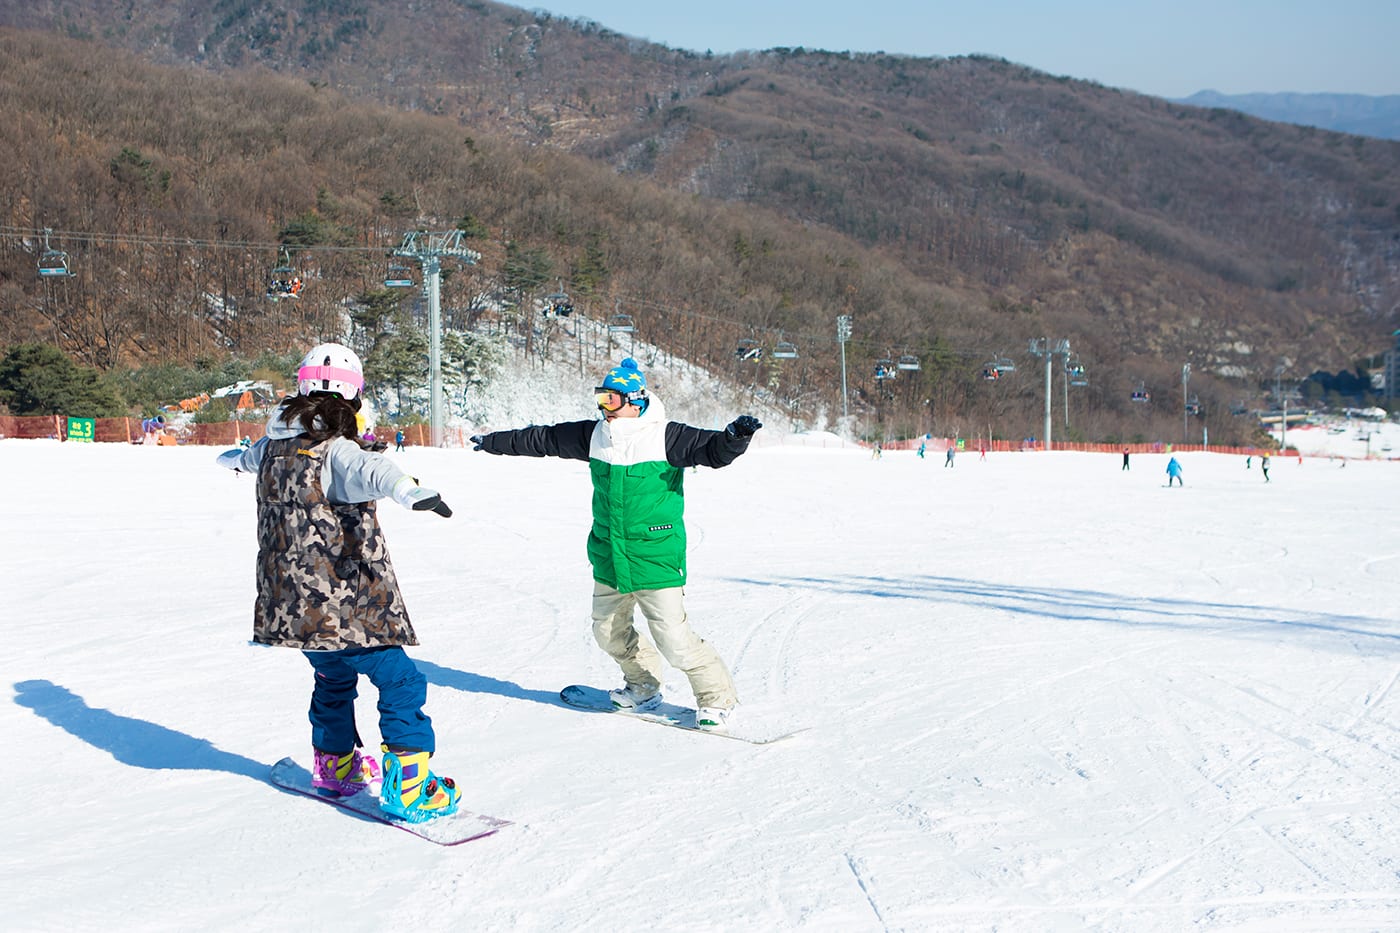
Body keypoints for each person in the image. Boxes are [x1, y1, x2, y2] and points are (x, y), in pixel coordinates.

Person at [215, 342, 460, 823]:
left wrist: (233, 461)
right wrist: (410, 491)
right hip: (346, 602)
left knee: (332, 677)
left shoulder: (272, 446)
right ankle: (411, 787)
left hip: (291, 607)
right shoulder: (336, 450)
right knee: (402, 681)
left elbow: (242, 459)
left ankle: (336, 769)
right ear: (354, 398)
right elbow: (375, 470)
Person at [469, 357, 757, 731]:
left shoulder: (667, 435)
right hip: (608, 554)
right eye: (600, 398)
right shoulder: (594, 436)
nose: (603, 407)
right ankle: (642, 687)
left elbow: (713, 451)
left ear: (635, 399)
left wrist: (735, 438)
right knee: (606, 632)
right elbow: (542, 439)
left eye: (611, 399)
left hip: (654, 554)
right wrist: (493, 442)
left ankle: (717, 699)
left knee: (674, 640)